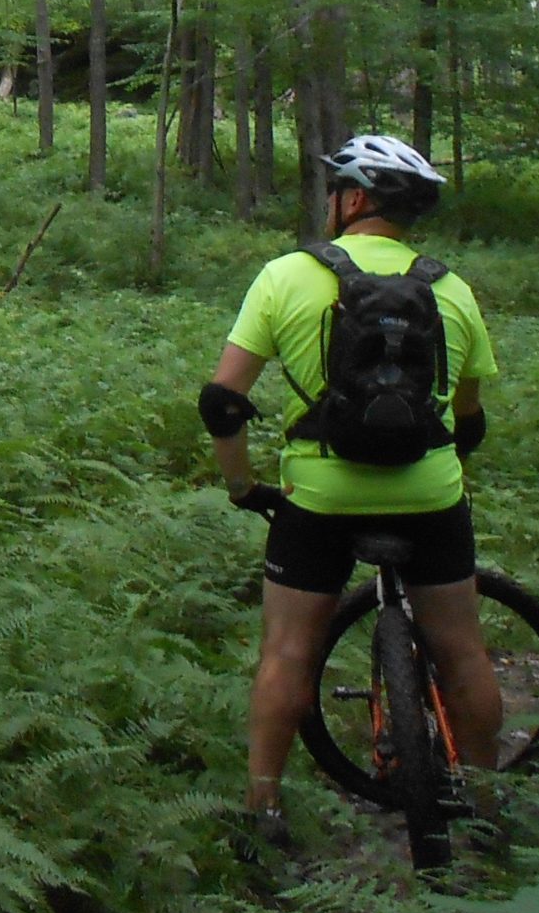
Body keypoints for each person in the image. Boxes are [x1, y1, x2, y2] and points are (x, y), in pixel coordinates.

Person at [197, 134, 501, 846]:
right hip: (430, 496)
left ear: (355, 198)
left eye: (336, 188)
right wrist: (439, 469)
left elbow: (222, 402)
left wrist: (245, 488)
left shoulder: (288, 277)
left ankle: (262, 811)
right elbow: (470, 419)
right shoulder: (451, 289)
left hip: (320, 500)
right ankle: (488, 811)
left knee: (288, 653)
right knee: (462, 652)